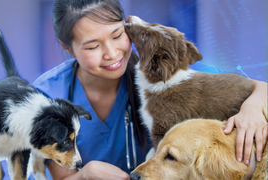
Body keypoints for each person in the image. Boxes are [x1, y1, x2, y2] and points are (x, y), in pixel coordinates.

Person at [31, 0, 267, 179]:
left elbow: (255, 87)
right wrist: (84, 175)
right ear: (68, 48)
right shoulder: (44, 97)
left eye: (117, 35)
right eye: (93, 46)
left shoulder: (162, 73)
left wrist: (254, 106)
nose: (112, 54)